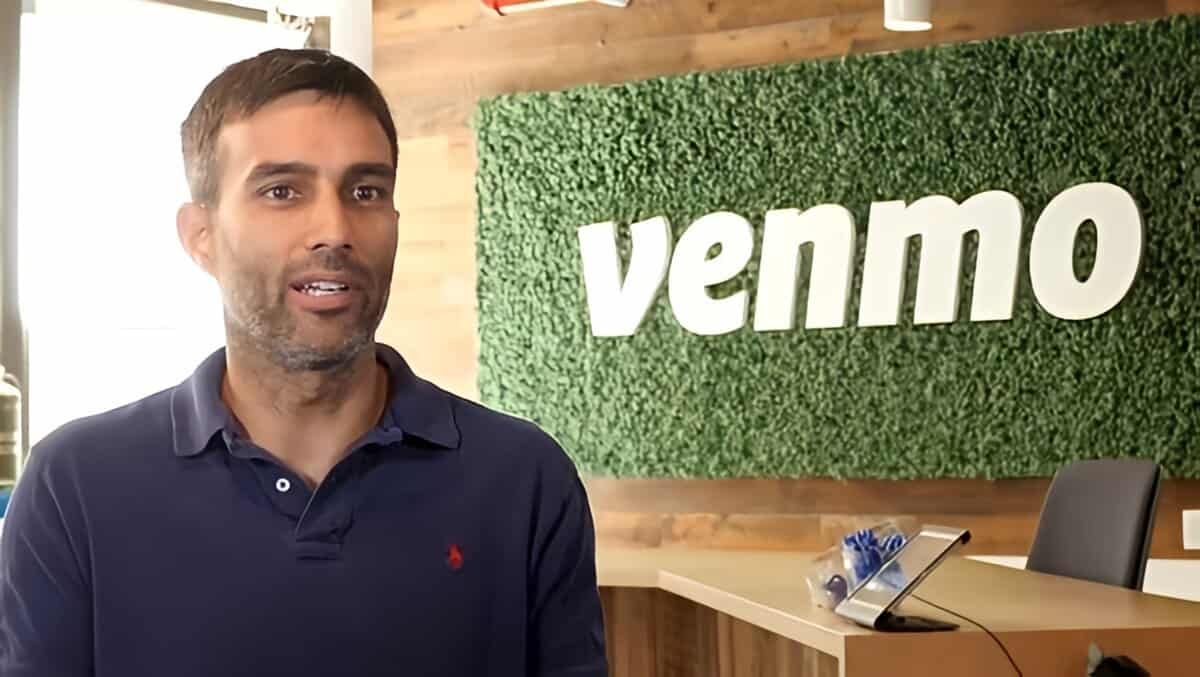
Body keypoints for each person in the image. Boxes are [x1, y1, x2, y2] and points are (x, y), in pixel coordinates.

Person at [0, 49, 608, 677]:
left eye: (365, 191)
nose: (335, 229)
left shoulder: (525, 480)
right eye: (282, 191)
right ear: (201, 237)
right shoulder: (74, 488)